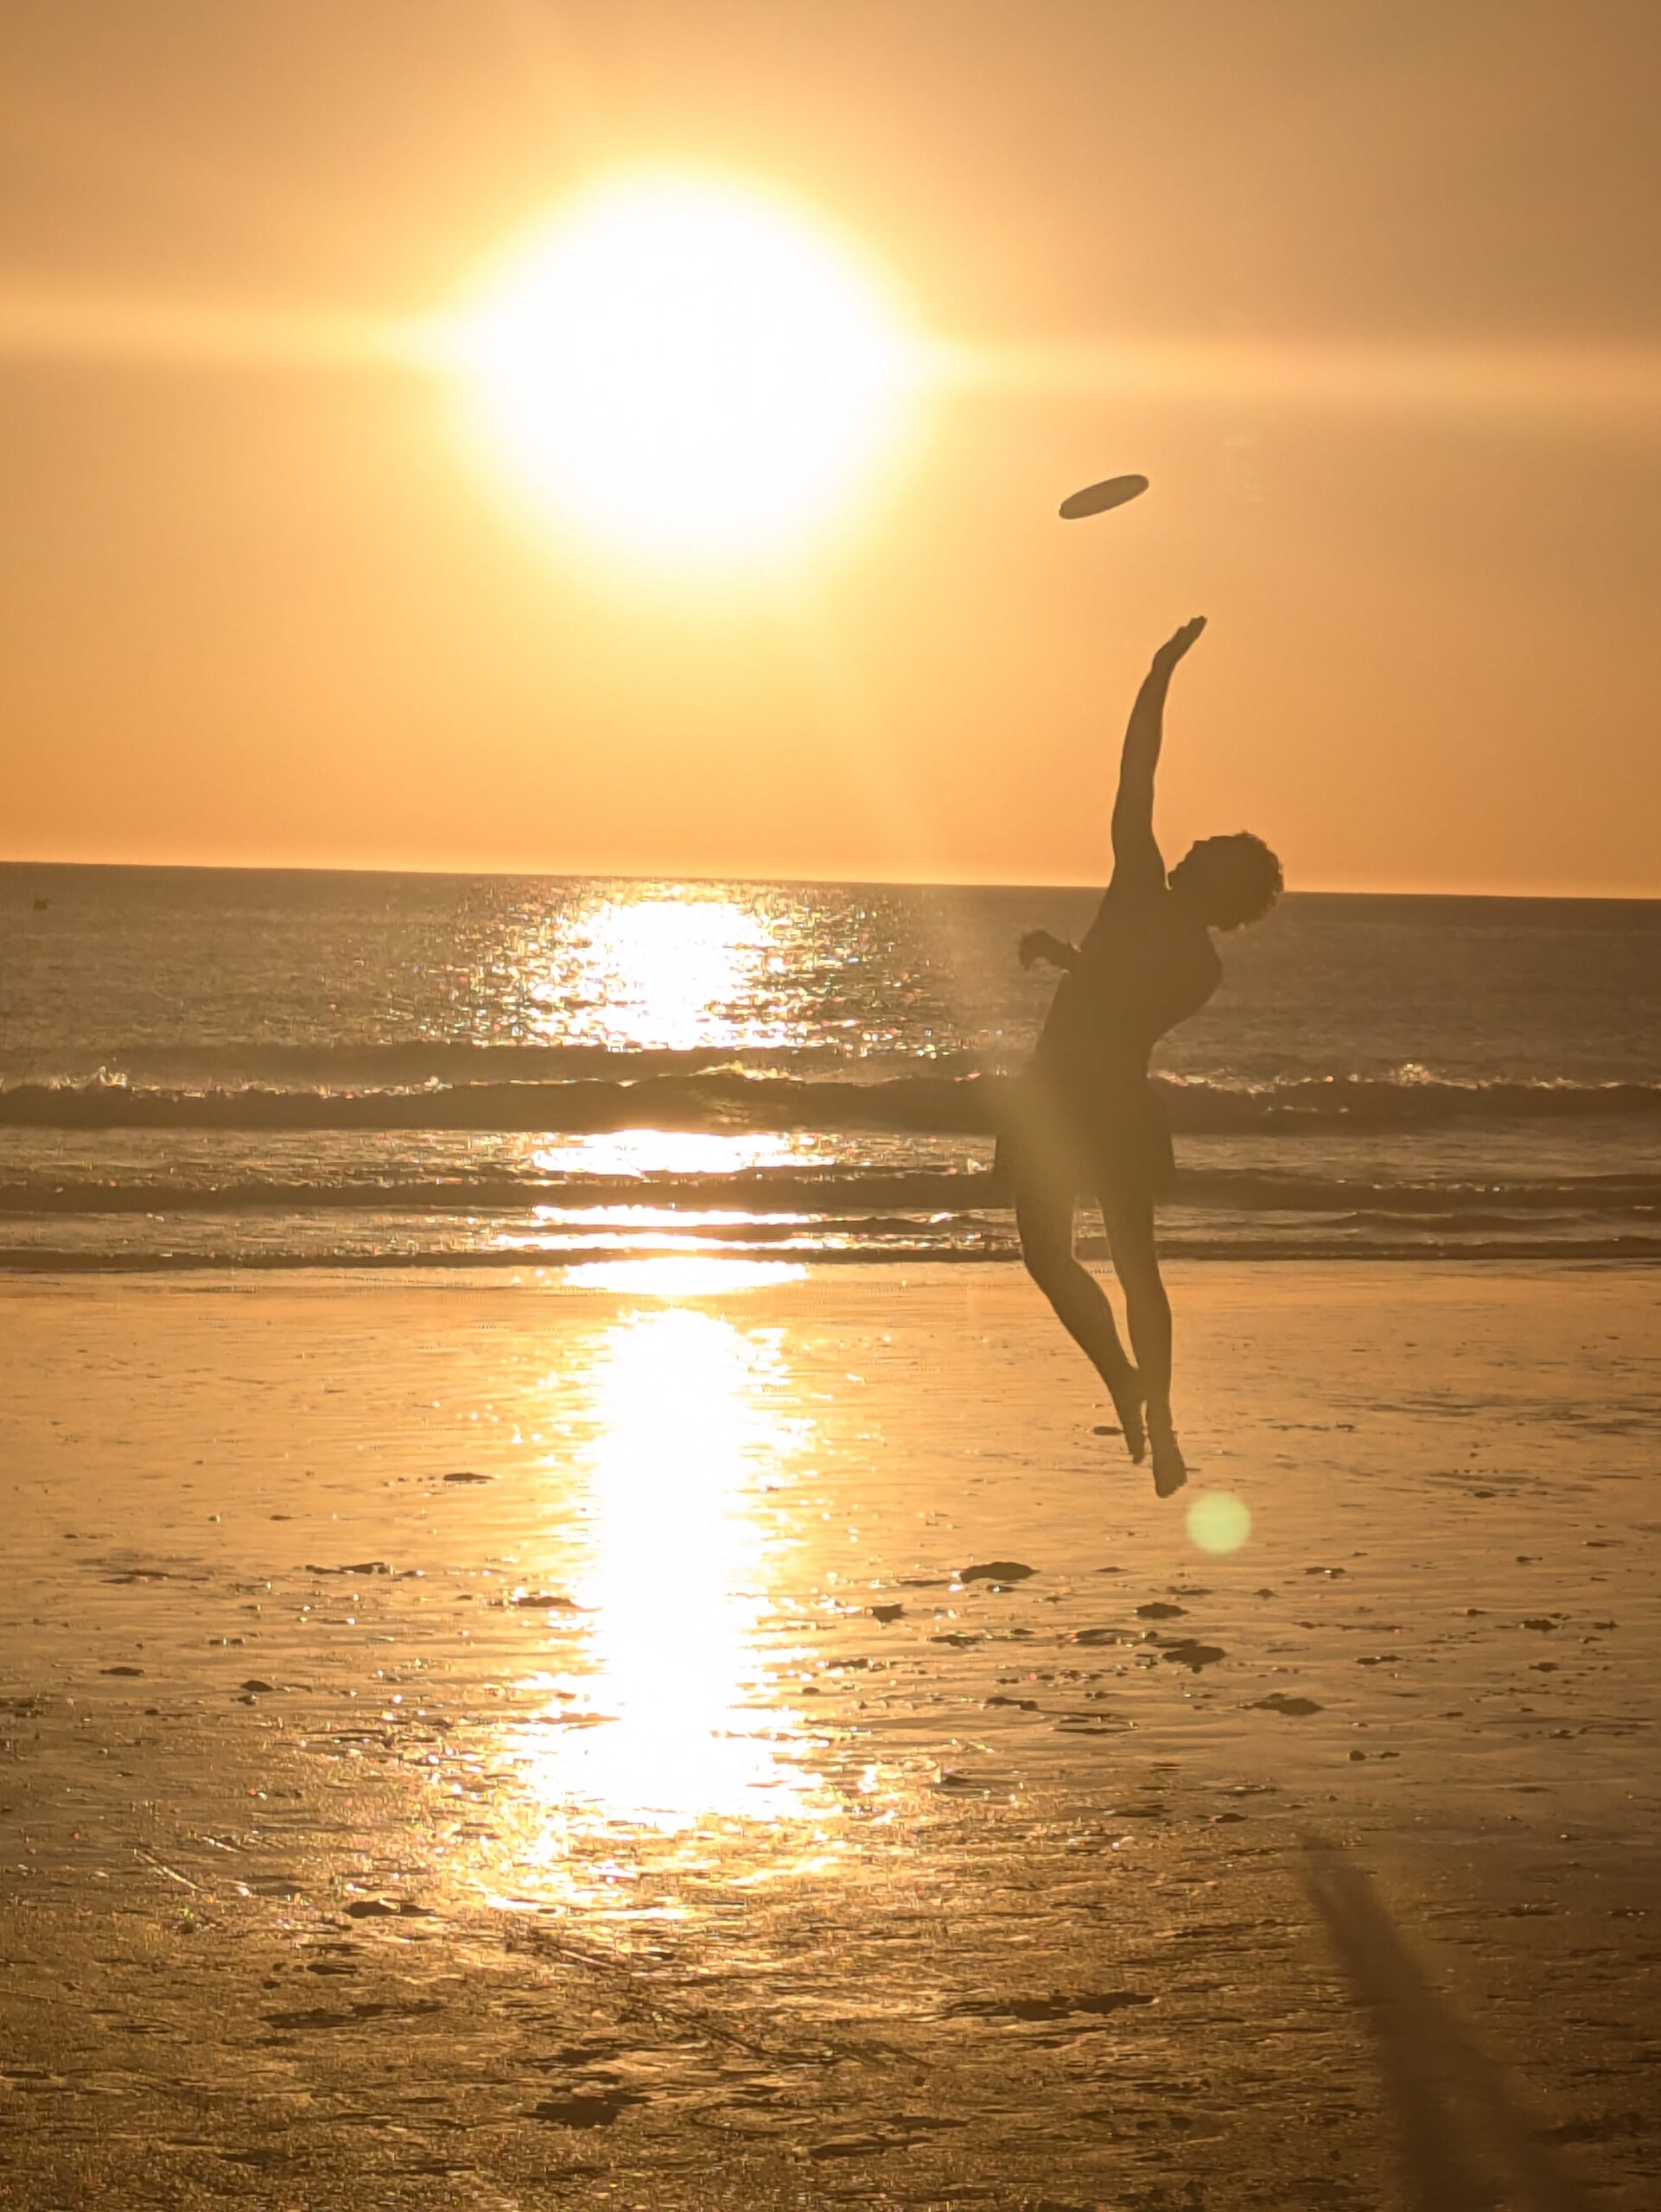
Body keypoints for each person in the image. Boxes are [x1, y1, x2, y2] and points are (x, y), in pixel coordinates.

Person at [999, 617, 1282, 1497]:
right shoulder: (1202, 965)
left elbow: (1135, 772)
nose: (1188, 844)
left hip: (1065, 1099)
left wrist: (1157, 675)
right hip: (1109, 1104)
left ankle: (1135, 1393)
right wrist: (1155, 674)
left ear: (1213, 883)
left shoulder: (1139, 887)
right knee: (1120, 1267)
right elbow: (1124, 1005)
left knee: (1062, 1259)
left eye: (1205, 851)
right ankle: (1145, 1404)